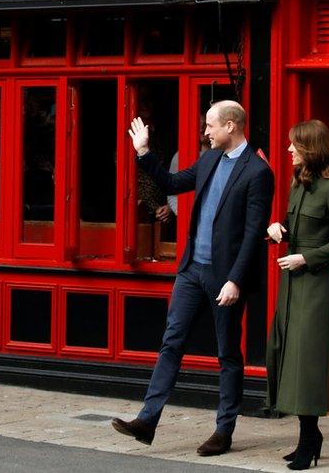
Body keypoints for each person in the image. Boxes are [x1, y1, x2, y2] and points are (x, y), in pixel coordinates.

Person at [112, 100, 274, 457]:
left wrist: (235, 280)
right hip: (191, 270)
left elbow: (252, 233)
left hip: (225, 277)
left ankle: (223, 430)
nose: (206, 132)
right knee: (172, 342)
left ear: (231, 126)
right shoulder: (209, 159)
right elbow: (171, 181)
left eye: (210, 126)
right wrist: (143, 153)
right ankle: (147, 420)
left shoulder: (257, 172)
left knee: (228, 353)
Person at [265, 120, 329, 470]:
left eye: (294, 145)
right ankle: (309, 436)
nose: (288, 150)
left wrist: (307, 258)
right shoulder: (298, 184)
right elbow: (291, 227)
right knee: (286, 354)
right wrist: (276, 231)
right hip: (290, 283)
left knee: (307, 362)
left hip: (314, 285)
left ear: (310, 148)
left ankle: (308, 440)